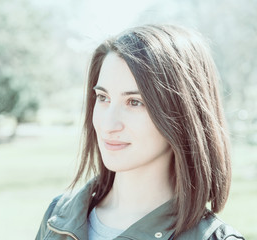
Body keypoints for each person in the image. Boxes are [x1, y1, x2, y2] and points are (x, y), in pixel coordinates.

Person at [36, 24, 244, 240]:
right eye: (103, 98)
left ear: (182, 114)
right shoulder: (58, 216)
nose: (109, 124)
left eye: (134, 102)